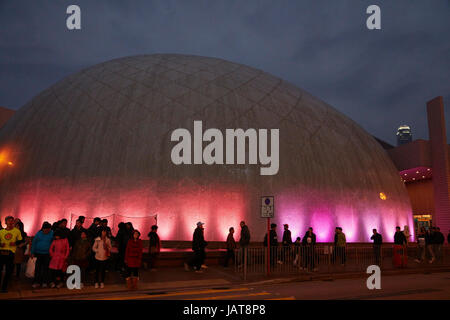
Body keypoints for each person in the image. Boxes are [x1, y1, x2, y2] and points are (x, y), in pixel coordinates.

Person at [0, 216, 23, 292]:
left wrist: (15, 243)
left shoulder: (17, 231)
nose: (10, 222)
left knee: (8, 271)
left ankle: (4, 288)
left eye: (12, 221)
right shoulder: (1, 231)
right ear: (5, 222)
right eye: (9, 221)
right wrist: (0, 244)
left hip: (10, 253)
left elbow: (20, 241)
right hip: (1, 252)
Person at [31, 222, 54, 288]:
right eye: (45, 229)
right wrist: (32, 252)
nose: (47, 231)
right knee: (38, 268)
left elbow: (53, 243)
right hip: (38, 253)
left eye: (48, 229)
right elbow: (34, 243)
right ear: (43, 229)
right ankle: (37, 282)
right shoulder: (38, 234)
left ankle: (45, 282)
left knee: (46, 269)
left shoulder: (52, 233)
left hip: (47, 254)